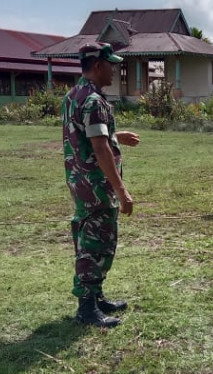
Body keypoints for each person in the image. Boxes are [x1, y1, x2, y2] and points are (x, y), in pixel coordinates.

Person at [62, 42, 141, 327]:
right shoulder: (94, 101)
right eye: (111, 64)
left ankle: (95, 297)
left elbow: (82, 134)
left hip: (80, 181)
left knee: (91, 239)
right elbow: (99, 147)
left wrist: (116, 135)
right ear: (97, 65)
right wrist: (122, 191)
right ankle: (86, 307)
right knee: (95, 243)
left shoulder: (74, 95)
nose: (115, 70)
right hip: (96, 185)